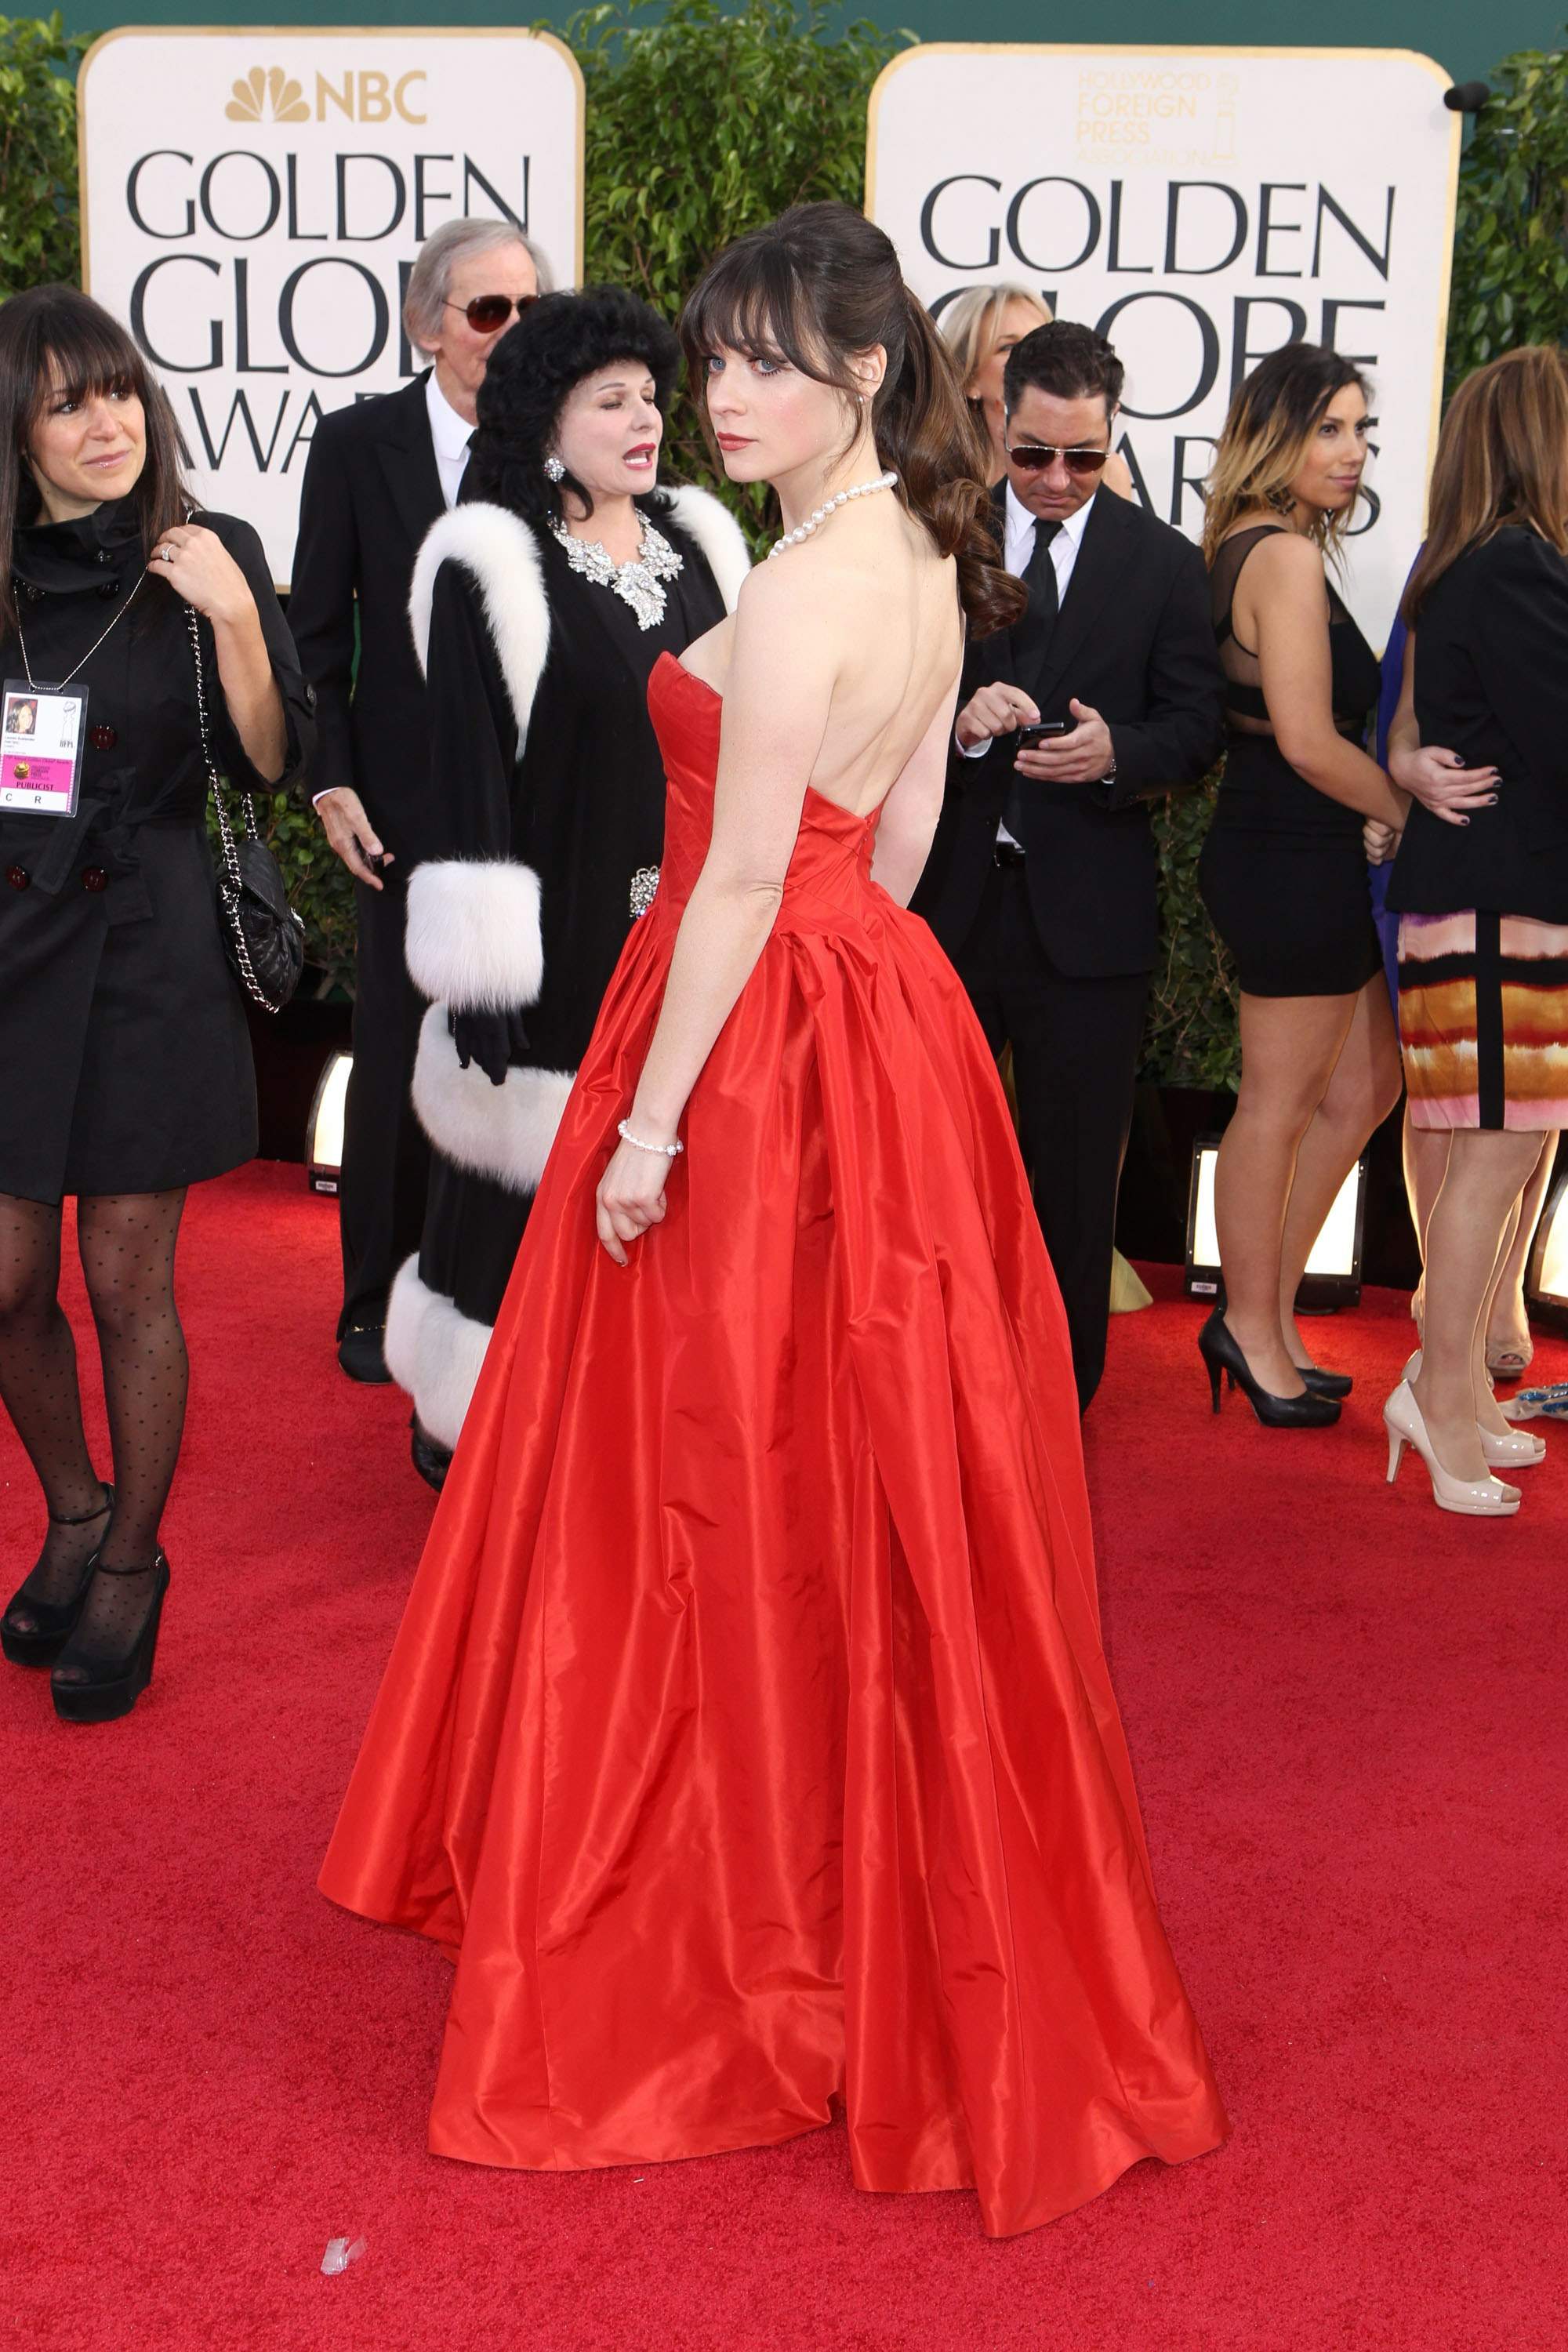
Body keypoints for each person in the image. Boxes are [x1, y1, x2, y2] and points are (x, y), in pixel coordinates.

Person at [321, 203, 1227, 2238]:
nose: (722, 397)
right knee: (852, 1469)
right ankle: (838, 1872)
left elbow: (737, 877)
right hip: (875, 1026)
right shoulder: (923, 556)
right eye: (712, 361)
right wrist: (845, 1005)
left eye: (763, 364)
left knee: (704, 1474)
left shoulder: (813, 579)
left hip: (741, 1034)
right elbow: (897, 839)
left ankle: (727, 1907)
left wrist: (651, 1126)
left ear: (866, 375)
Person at [0, 286, 312, 1722]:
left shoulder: (207, 548)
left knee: (131, 1283)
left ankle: (131, 1559)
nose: (106, 422)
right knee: (8, 1284)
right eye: (68, 403)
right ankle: (72, 1509)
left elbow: (267, 761)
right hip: (13, 954)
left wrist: (236, 611)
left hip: (150, 954)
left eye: (119, 390)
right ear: (18, 432)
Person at [385, 286, 749, 1483]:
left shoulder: (704, 545)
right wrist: (482, 977)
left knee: (664, 1179)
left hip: (689, 926)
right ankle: (479, 1422)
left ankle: (636, 1435)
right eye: (610, 402)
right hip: (560, 934)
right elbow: (466, 777)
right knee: (522, 1178)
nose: (645, 421)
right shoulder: (491, 560)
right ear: (546, 420)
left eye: (650, 397)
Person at [913, 320, 1225, 1409]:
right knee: (921, 1171)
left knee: (1077, 1189)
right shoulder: (939, 539)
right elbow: (875, 694)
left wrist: (1118, 754)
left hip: (1089, 926)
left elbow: (1196, 724)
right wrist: (958, 722)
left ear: (1112, 433)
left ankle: (1055, 1406)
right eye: (1034, 453)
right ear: (999, 422)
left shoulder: (1162, 564)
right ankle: (922, 1393)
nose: (1055, 478)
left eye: (1082, 457)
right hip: (945, 911)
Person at [1194, 343, 1483, 1429]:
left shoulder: (1261, 545)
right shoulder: (1278, 557)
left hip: (1302, 848)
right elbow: (1310, 742)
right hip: (1286, 855)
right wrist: (1404, 810)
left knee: (1365, 1085)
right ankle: (1246, 1325)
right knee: (1274, 1105)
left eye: (1361, 429)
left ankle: (1267, 1314)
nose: (1353, 451)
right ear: (1275, 435)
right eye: (1329, 429)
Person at [289, 217, 546, 1385]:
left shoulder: (556, 443)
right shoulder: (357, 444)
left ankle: (497, 1290)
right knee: (396, 1048)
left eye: (531, 309)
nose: (513, 330)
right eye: (490, 309)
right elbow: (315, 639)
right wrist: (330, 780)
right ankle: (370, 1298)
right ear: (427, 324)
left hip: (526, 807)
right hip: (394, 808)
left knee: (519, 1048)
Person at [1375, 344, 1568, 1514]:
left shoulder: (1473, 561)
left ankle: (1454, 1391)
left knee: (1497, 1151)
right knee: (1491, 1153)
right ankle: (1440, 1398)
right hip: (1500, 907)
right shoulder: (1512, 565)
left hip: (1496, 902)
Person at [939, 283, 1134, 499]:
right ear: (969, 378)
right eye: (1008, 347)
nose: (1029, 359)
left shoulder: (1107, 473)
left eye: (1040, 344)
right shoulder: (939, 477)